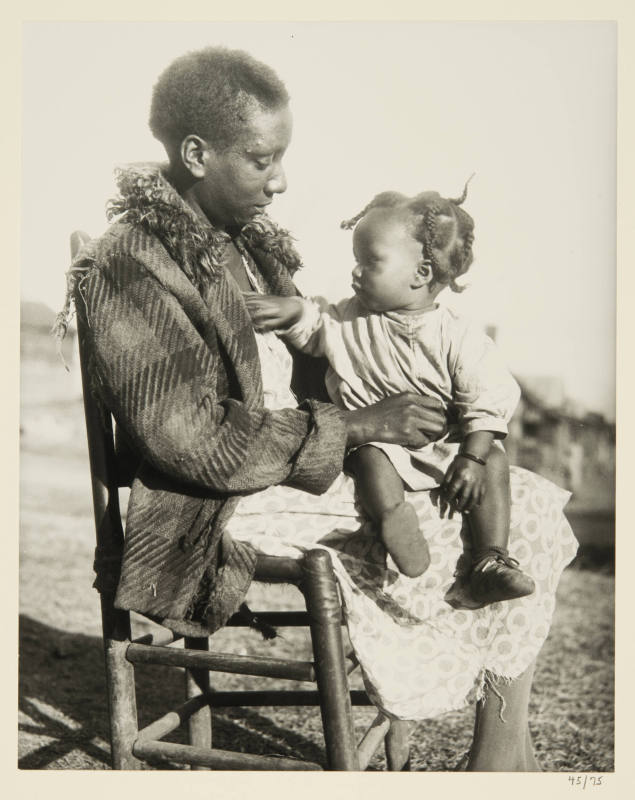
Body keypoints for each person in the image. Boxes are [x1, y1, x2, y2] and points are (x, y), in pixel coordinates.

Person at [56, 46, 577, 771]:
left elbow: (324, 353)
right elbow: (186, 438)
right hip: (210, 506)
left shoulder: (248, 247)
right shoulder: (130, 261)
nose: (281, 180)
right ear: (197, 152)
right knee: (507, 511)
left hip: (301, 470)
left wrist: (427, 417)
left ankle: (498, 755)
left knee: (515, 497)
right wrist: (363, 428)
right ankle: (500, 766)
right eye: (262, 160)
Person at [244, 187, 536, 611]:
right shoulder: (349, 319)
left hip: (445, 446)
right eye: (355, 261)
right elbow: (314, 322)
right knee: (368, 456)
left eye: (370, 262)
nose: (355, 274)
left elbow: (488, 398)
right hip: (378, 442)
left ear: (420, 273)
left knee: (494, 459)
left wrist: (471, 458)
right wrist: (290, 312)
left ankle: (489, 559)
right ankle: (395, 521)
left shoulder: (457, 335)